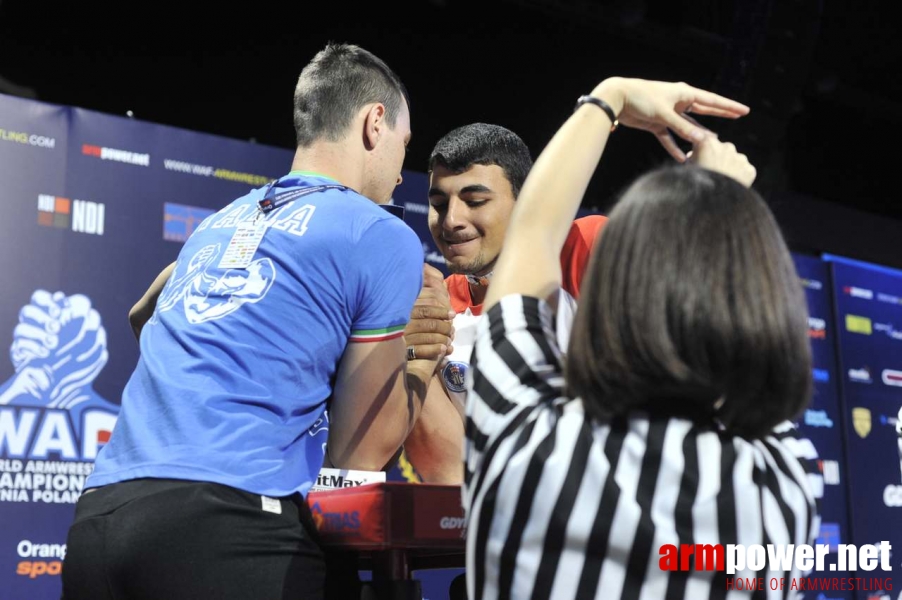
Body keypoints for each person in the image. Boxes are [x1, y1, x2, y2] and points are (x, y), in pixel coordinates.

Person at [62, 43, 451, 600]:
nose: (399, 175)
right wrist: (419, 356)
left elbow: (141, 315)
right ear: (374, 123)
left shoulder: (225, 221)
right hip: (229, 526)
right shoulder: (378, 231)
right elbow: (359, 453)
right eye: (404, 147)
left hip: (102, 518)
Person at [466, 78, 822, 598]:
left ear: (607, 292)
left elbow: (532, 234)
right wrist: (716, 205)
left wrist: (608, 98)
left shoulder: (521, 431)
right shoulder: (785, 486)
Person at [402, 123, 607, 483]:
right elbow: (451, 473)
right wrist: (410, 357)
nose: (451, 221)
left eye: (475, 201)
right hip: (497, 520)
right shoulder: (433, 304)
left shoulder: (587, 247)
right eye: (438, 204)